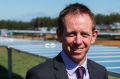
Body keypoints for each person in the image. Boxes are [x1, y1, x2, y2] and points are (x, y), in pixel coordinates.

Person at [26, 3, 108, 79]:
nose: (78, 41)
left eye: (84, 34)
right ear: (59, 35)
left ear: (93, 37)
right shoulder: (39, 75)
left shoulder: (100, 72)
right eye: (72, 34)